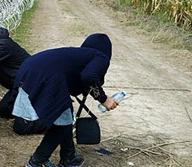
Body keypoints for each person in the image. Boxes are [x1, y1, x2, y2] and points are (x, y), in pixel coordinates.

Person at [10, 33, 119, 167]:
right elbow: (89, 76)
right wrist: (104, 99)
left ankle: (69, 157)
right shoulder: (101, 57)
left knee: (65, 118)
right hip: (45, 79)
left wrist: (91, 92)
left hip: (29, 71)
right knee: (61, 124)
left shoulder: (79, 55)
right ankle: (36, 162)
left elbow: (77, 83)